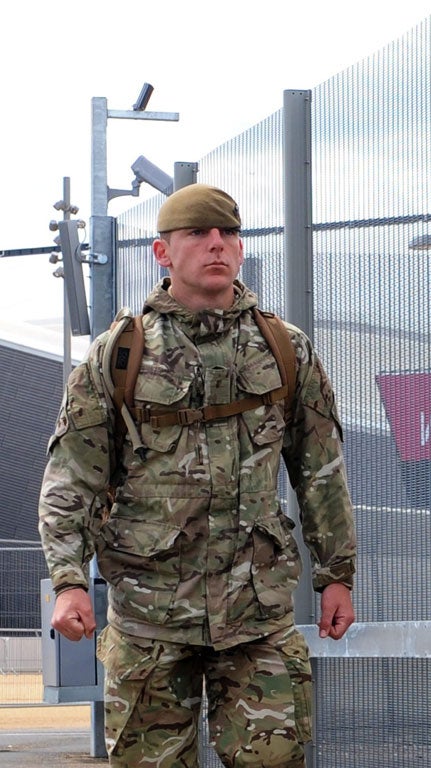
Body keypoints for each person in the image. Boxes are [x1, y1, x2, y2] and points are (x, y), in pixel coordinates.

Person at [38, 184, 357, 768]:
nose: (217, 245)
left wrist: (337, 574)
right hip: (149, 614)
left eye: (228, 234)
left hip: (256, 615)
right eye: (198, 235)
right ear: (163, 253)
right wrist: (67, 581)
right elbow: (72, 477)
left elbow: (321, 472)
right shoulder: (119, 354)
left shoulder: (285, 350)